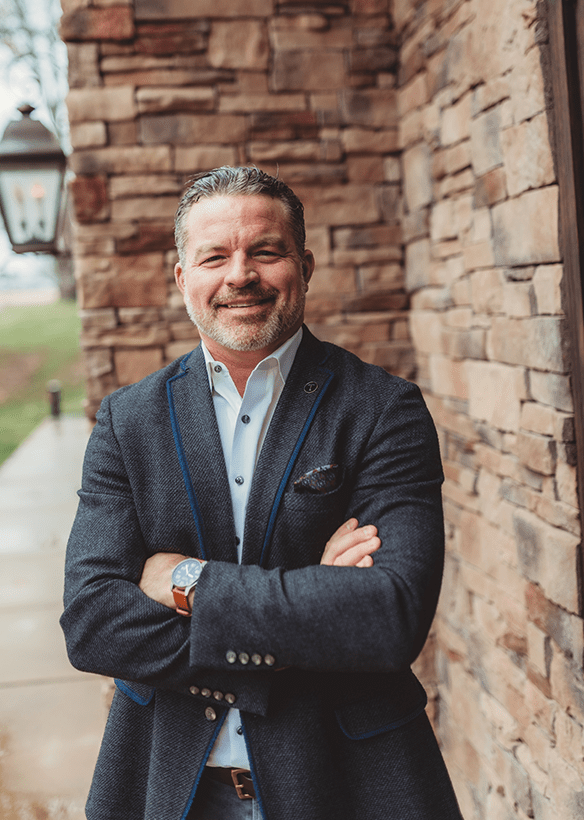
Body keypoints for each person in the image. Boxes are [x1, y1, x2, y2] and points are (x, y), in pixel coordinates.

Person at [61, 166, 463, 820]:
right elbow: (93, 624)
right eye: (214, 256)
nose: (239, 274)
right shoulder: (127, 422)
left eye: (265, 252)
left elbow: (390, 617)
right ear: (182, 276)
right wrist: (311, 607)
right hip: (171, 783)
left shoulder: (384, 410)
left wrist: (186, 581)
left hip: (348, 783)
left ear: (304, 265)